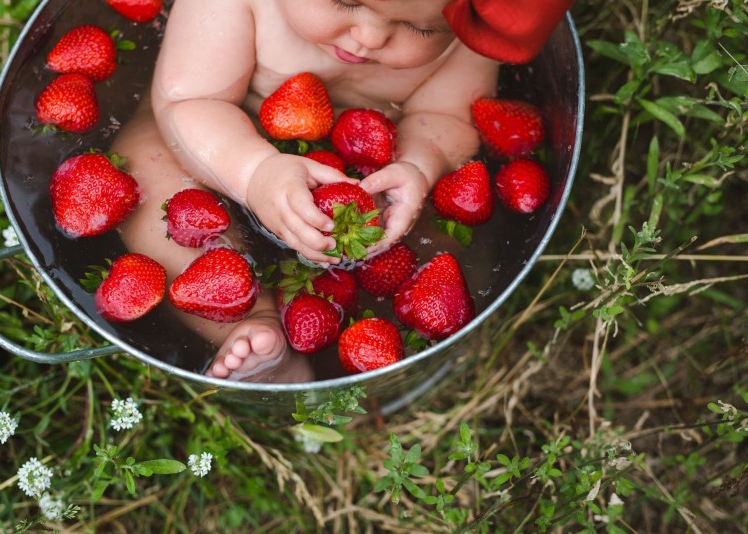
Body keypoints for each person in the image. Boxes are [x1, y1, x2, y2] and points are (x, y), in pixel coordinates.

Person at [112, 0, 572, 381]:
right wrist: (254, 173)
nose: (370, 37)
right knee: (146, 175)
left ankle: (362, 344)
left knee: (432, 235)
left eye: (418, 27)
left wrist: (416, 164)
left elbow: (449, 118)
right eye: (346, 1)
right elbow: (187, 102)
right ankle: (252, 322)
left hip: (363, 175)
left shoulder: (468, 30)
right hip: (215, 143)